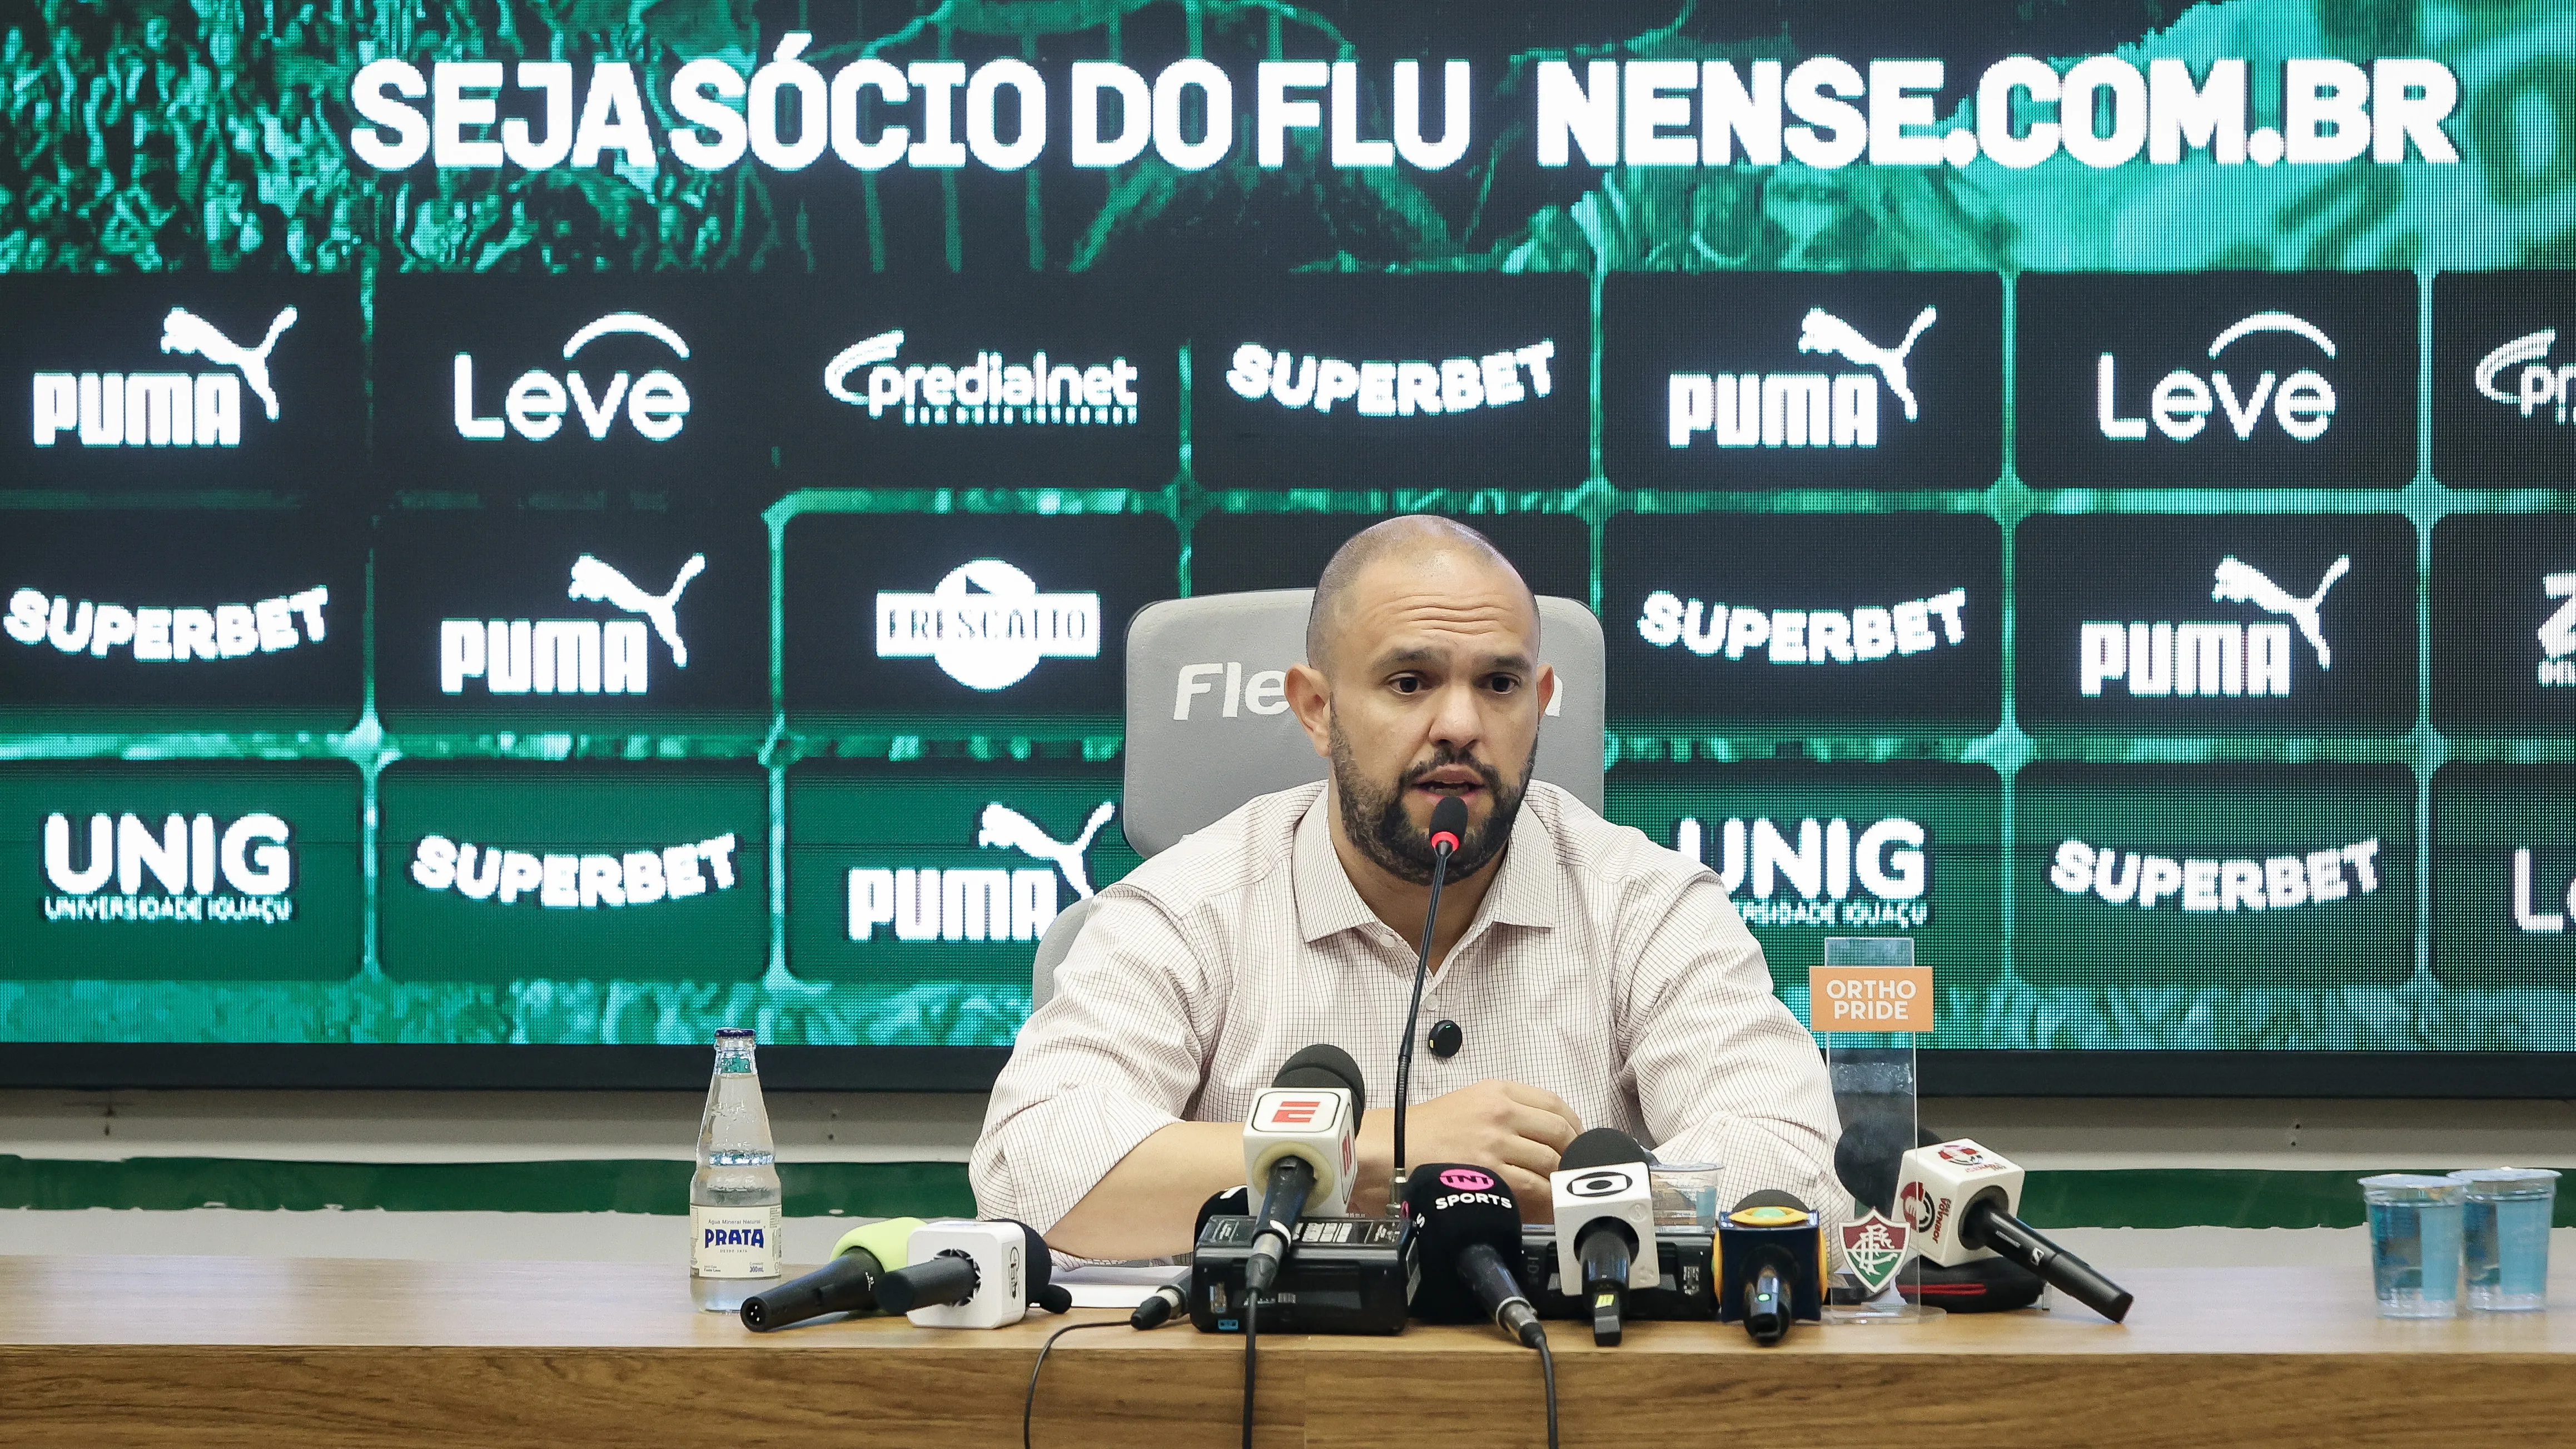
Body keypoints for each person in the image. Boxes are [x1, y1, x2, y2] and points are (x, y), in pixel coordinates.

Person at [971, 516, 1841, 1261]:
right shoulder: (1188, 906)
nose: (1460, 724)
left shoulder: (1647, 905)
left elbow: (1796, 1172)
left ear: (1538, 702)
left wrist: (1585, 1199)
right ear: (1316, 709)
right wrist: (1381, 1151)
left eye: (1498, 684)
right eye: (1409, 682)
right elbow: (1029, 1170)